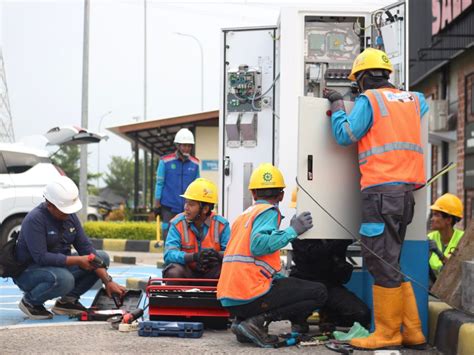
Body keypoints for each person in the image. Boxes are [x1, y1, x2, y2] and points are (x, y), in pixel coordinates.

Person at [323, 48, 428, 350]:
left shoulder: (369, 100)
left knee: (380, 262)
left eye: (357, 81)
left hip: (381, 192)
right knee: (391, 261)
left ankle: (387, 333)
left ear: (363, 78)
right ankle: (412, 330)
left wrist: (337, 105)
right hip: (406, 195)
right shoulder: (412, 100)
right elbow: (421, 103)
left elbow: (345, 135)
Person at [217, 163, 328, 348]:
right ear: (281, 195)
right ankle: (256, 322)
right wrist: (292, 231)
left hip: (230, 298)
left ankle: (243, 323)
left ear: (253, 194)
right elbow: (258, 245)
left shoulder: (244, 216)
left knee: (283, 285)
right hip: (250, 295)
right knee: (319, 292)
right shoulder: (269, 211)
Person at [13, 176, 126, 320]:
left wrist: (108, 281)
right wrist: (78, 260)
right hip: (29, 272)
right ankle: (30, 301)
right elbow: (41, 257)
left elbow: (86, 248)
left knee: (100, 258)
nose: (67, 213)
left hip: (57, 268)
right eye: (63, 210)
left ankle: (67, 302)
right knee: (65, 279)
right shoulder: (35, 219)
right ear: (50, 205)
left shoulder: (69, 217)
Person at [287, 188, 371, 329]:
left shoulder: (334, 226)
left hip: (330, 285)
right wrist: (343, 240)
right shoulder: (297, 229)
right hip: (305, 285)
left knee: (361, 315)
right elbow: (313, 254)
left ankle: (329, 316)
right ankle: (298, 318)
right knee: (297, 317)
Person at [163, 178, 230, 280]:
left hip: (211, 273)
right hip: (187, 272)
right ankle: (176, 296)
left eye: (191, 204)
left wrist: (217, 255)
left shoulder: (221, 225)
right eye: (186, 202)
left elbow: (231, 254)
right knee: (173, 272)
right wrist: (193, 257)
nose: (186, 207)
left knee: (228, 271)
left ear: (205, 209)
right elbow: (169, 254)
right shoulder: (177, 223)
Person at [155, 128, 200, 242]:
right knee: (168, 232)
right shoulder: (165, 161)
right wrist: (157, 205)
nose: (187, 148)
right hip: (169, 206)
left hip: (187, 206)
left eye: (189, 145)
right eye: (184, 145)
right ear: (178, 145)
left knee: (188, 233)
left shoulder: (195, 163)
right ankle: (168, 256)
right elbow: (159, 183)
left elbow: (197, 185)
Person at [428, 193, 464, 280]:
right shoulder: (430, 238)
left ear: (448, 220)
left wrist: (439, 254)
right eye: (433, 215)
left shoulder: (463, 240)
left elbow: (457, 269)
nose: (432, 219)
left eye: (436, 215)